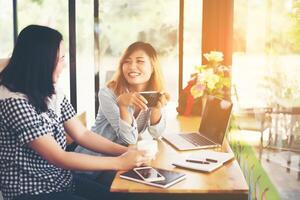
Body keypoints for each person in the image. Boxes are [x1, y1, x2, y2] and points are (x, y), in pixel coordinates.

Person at [0, 25, 148, 200]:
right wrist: (119, 162)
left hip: (61, 181)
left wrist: (126, 151)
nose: (64, 65)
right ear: (42, 61)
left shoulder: (50, 90)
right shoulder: (13, 101)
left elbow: (82, 134)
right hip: (32, 192)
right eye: (61, 58)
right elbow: (58, 157)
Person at [75, 42, 170, 158]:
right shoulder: (107, 93)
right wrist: (123, 106)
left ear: (152, 67)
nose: (132, 66)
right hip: (93, 165)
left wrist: (156, 108)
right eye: (127, 61)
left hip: (122, 161)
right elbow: (129, 139)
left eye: (140, 61)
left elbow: (157, 133)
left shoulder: (154, 93)